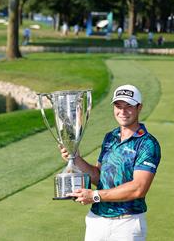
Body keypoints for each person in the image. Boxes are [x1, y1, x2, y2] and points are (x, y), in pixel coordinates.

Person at [59, 84, 161, 241]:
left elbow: (139, 188)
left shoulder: (148, 143)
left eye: (129, 106)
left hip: (127, 223)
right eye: (118, 106)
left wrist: (95, 196)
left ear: (139, 108)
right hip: (96, 220)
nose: (122, 112)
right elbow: (99, 177)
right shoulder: (110, 137)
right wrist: (76, 159)